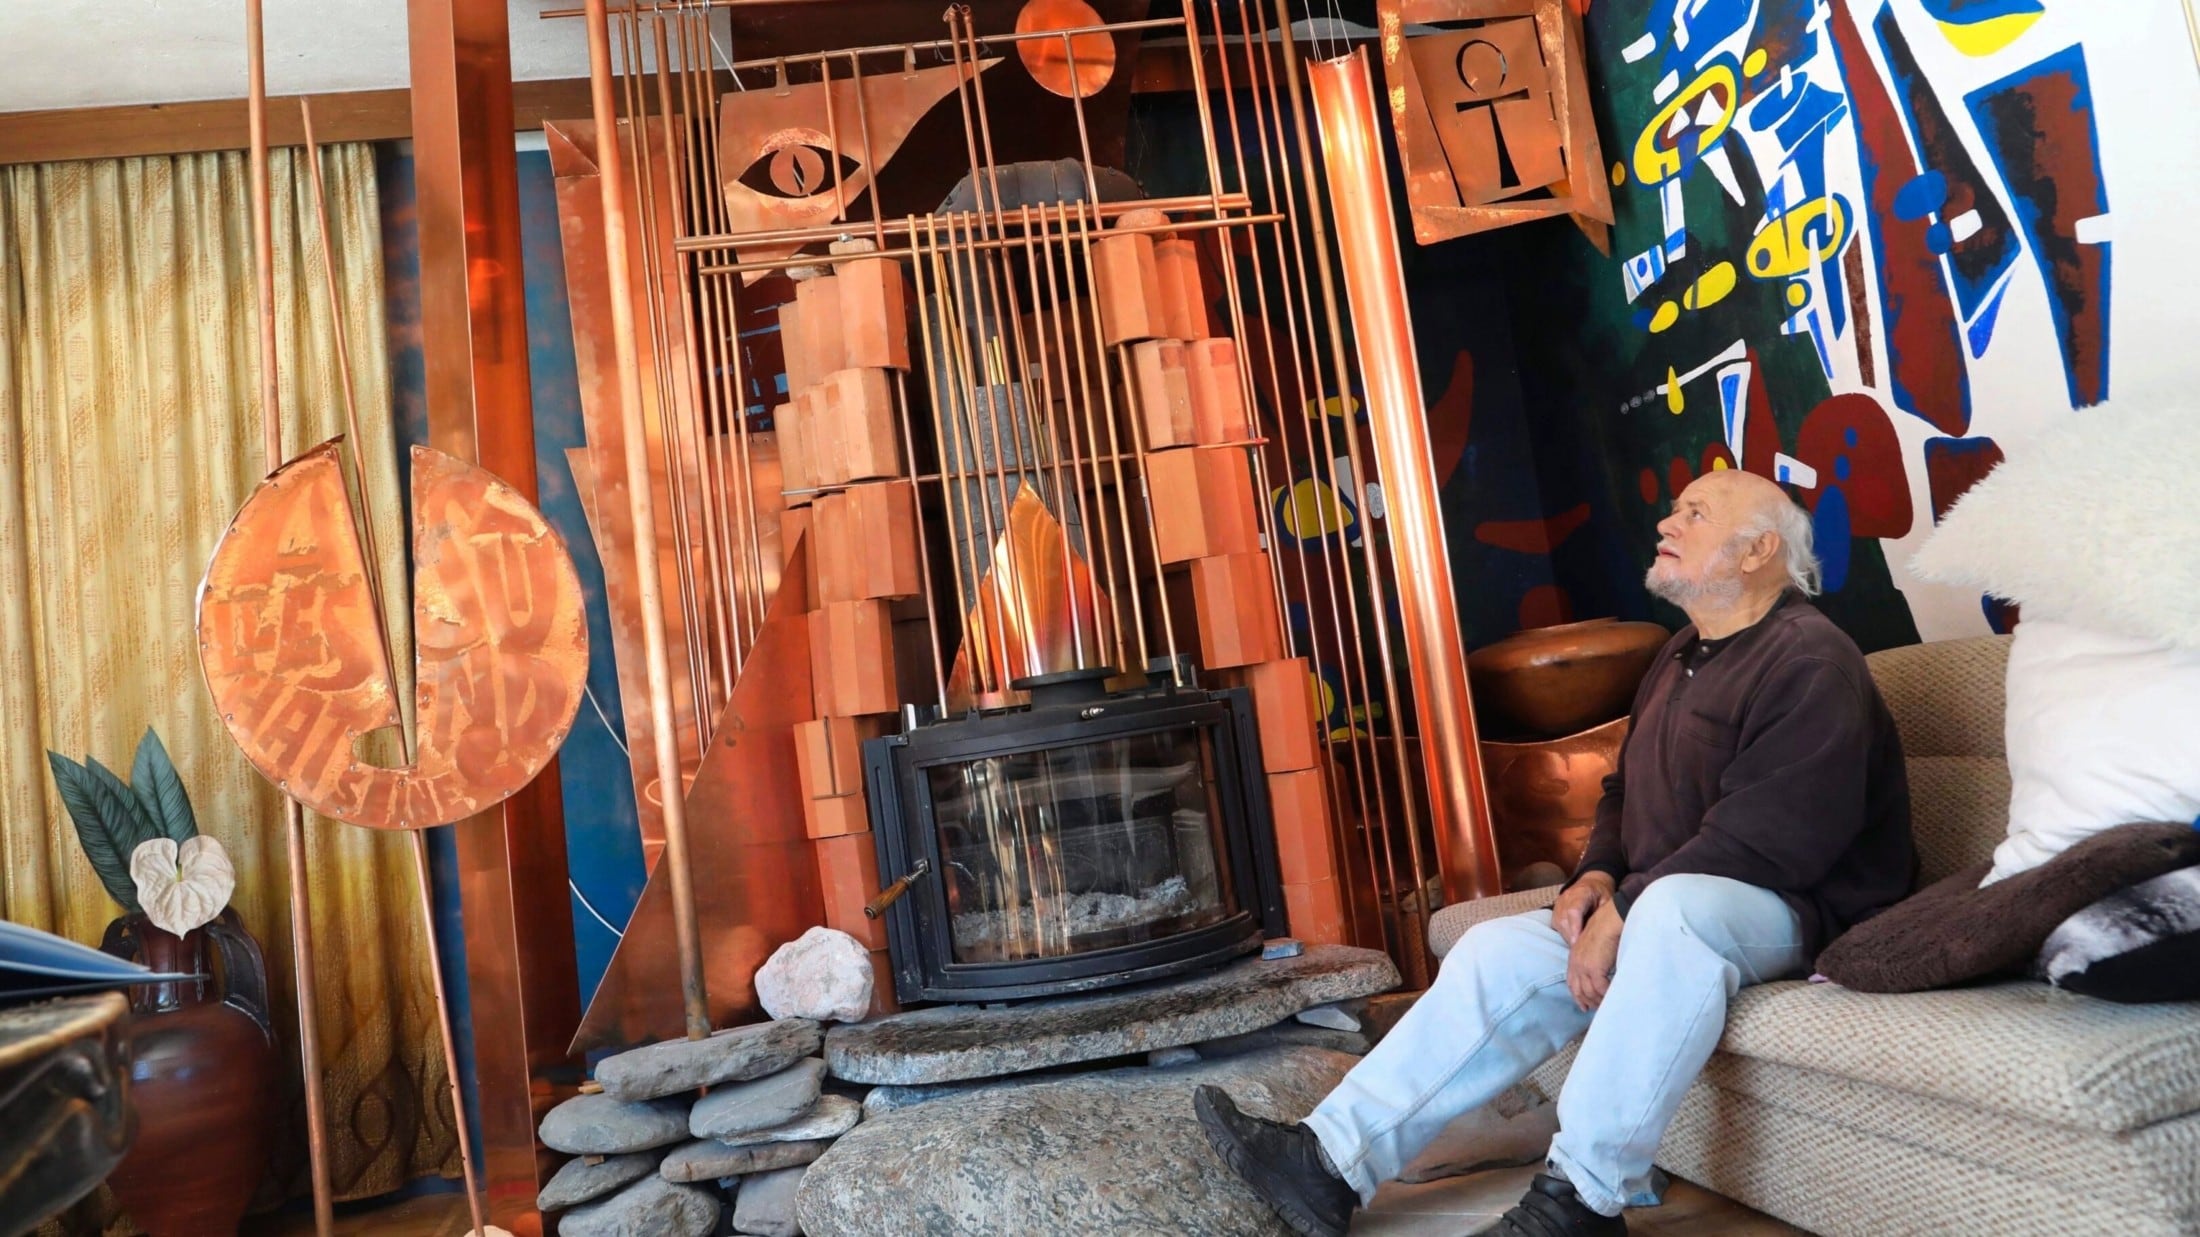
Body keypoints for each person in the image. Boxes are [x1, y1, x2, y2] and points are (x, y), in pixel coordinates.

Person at [1196, 470, 1915, 1237]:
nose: (1667, 523)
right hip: (1681, 898)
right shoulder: (1680, 656)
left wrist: (1630, 907)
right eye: (1674, 509)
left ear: (1758, 551)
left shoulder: (1810, 660)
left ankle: (1582, 1199)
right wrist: (1598, 876)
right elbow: (1622, 792)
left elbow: (1777, 835)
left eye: (1695, 514)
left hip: (1805, 909)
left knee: (1672, 910)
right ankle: (1330, 1161)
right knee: (1498, 949)